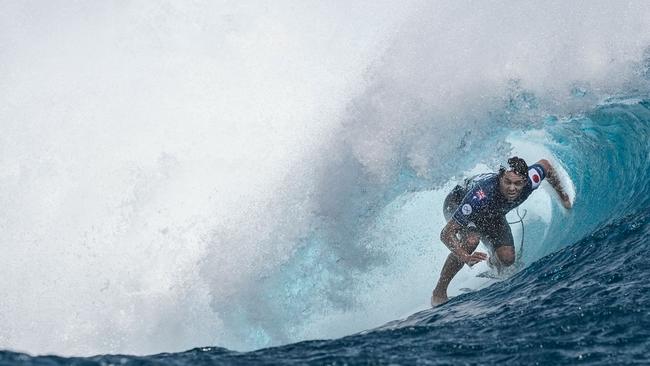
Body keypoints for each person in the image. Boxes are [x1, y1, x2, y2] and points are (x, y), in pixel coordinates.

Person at [431, 156, 573, 306]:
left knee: (507, 259)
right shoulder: (480, 195)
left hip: (493, 213)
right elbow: (446, 233)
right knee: (471, 240)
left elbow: (546, 165)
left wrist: (563, 196)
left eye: (518, 183)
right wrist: (465, 257)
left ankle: (493, 262)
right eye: (507, 182)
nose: (512, 188)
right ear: (500, 178)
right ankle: (439, 292)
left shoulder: (531, 179)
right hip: (458, 202)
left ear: (525, 181)